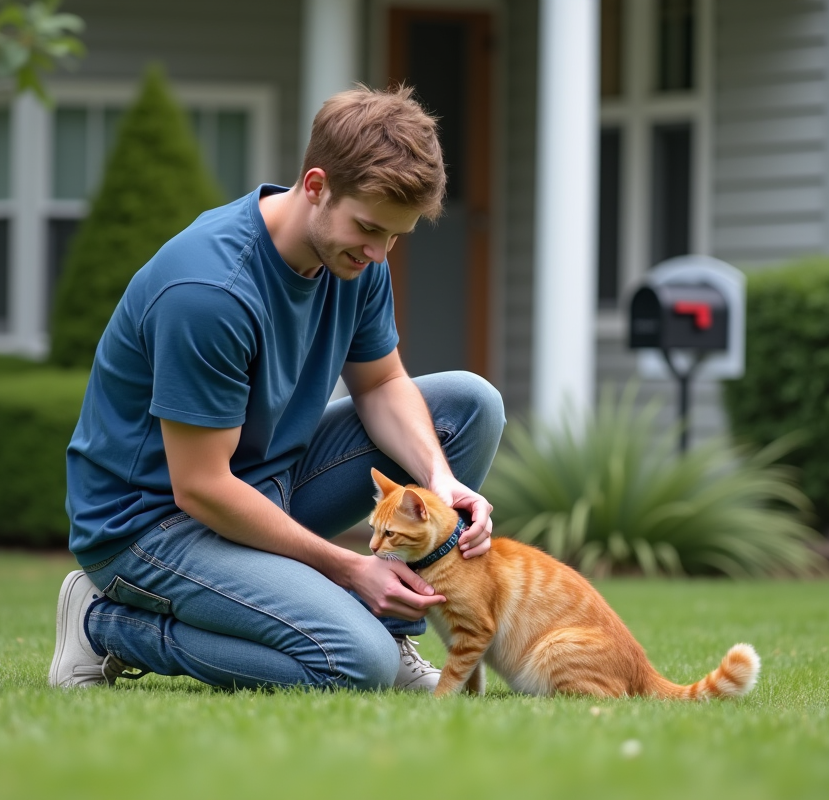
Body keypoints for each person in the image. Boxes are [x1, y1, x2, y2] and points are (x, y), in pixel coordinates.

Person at [48, 85, 505, 692]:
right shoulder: (210, 294)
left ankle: (389, 632)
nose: (378, 253)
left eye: (396, 236)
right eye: (368, 229)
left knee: (471, 406)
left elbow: (382, 382)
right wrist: (348, 570)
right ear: (315, 186)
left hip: (267, 481)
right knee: (352, 664)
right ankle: (104, 622)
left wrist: (440, 483)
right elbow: (202, 487)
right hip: (150, 524)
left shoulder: (357, 259)